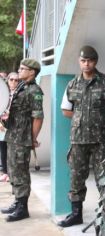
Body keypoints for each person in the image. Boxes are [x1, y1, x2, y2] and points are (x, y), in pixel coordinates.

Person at [58, 45, 105, 227]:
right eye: (83, 60)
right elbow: (66, 109)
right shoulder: (72, 84)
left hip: (101, 140)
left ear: (95, 61)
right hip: (78, 139)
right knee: (76, 177)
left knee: (104, 177)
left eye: (89, 60)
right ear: (79, 61)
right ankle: (76, 214)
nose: (86, 64)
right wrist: (82, 118)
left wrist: (98, 119)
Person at [0, 59, 44, 222]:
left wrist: (33, 138)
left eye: (22, 68)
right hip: (13, 136)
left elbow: (38, 117)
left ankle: (22, 208)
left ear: (32, 72)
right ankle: (18, 202)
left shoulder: (34, 91)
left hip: (22, 139)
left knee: (20, 173)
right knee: (13, 171)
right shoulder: (21, 87)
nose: (19, 70)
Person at [0, 72, 20, 182]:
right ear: (7, 80)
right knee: (3, 149)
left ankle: (12, 173)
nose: (13, 82)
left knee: (12, 150)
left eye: (16, 80)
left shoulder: (20, 94)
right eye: (11, 79)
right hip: (2, 125)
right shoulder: (3, 94)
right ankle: (5, 172)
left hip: (14, 126)